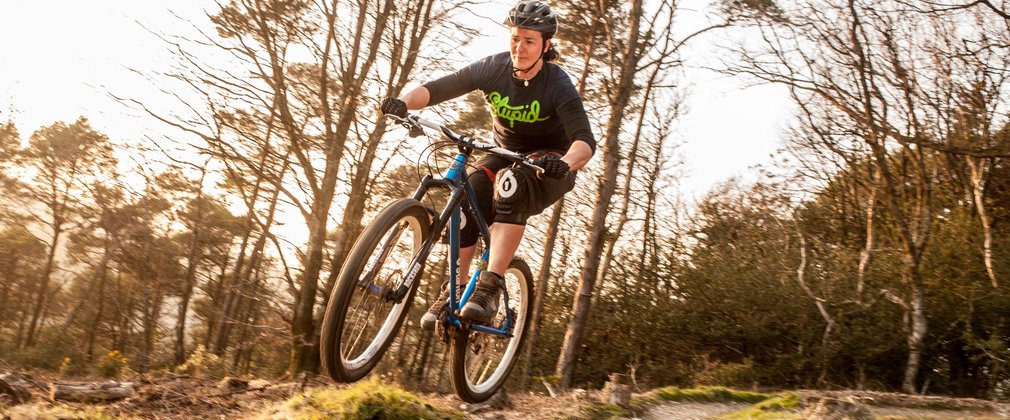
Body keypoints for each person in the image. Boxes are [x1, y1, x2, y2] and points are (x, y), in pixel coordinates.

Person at [380, 0, 595, 328]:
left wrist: (565, 163)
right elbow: (438, 88)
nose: (519, 48)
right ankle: (456, 288)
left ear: (546, 45)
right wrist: (403, 103)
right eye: (515, 38)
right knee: (465, 197)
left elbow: (584, 141)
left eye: (529, 41)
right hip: (505, 152)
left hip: (549, 161)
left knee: (511, 183)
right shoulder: (493, 68)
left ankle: (490, 285)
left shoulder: (558, 84)